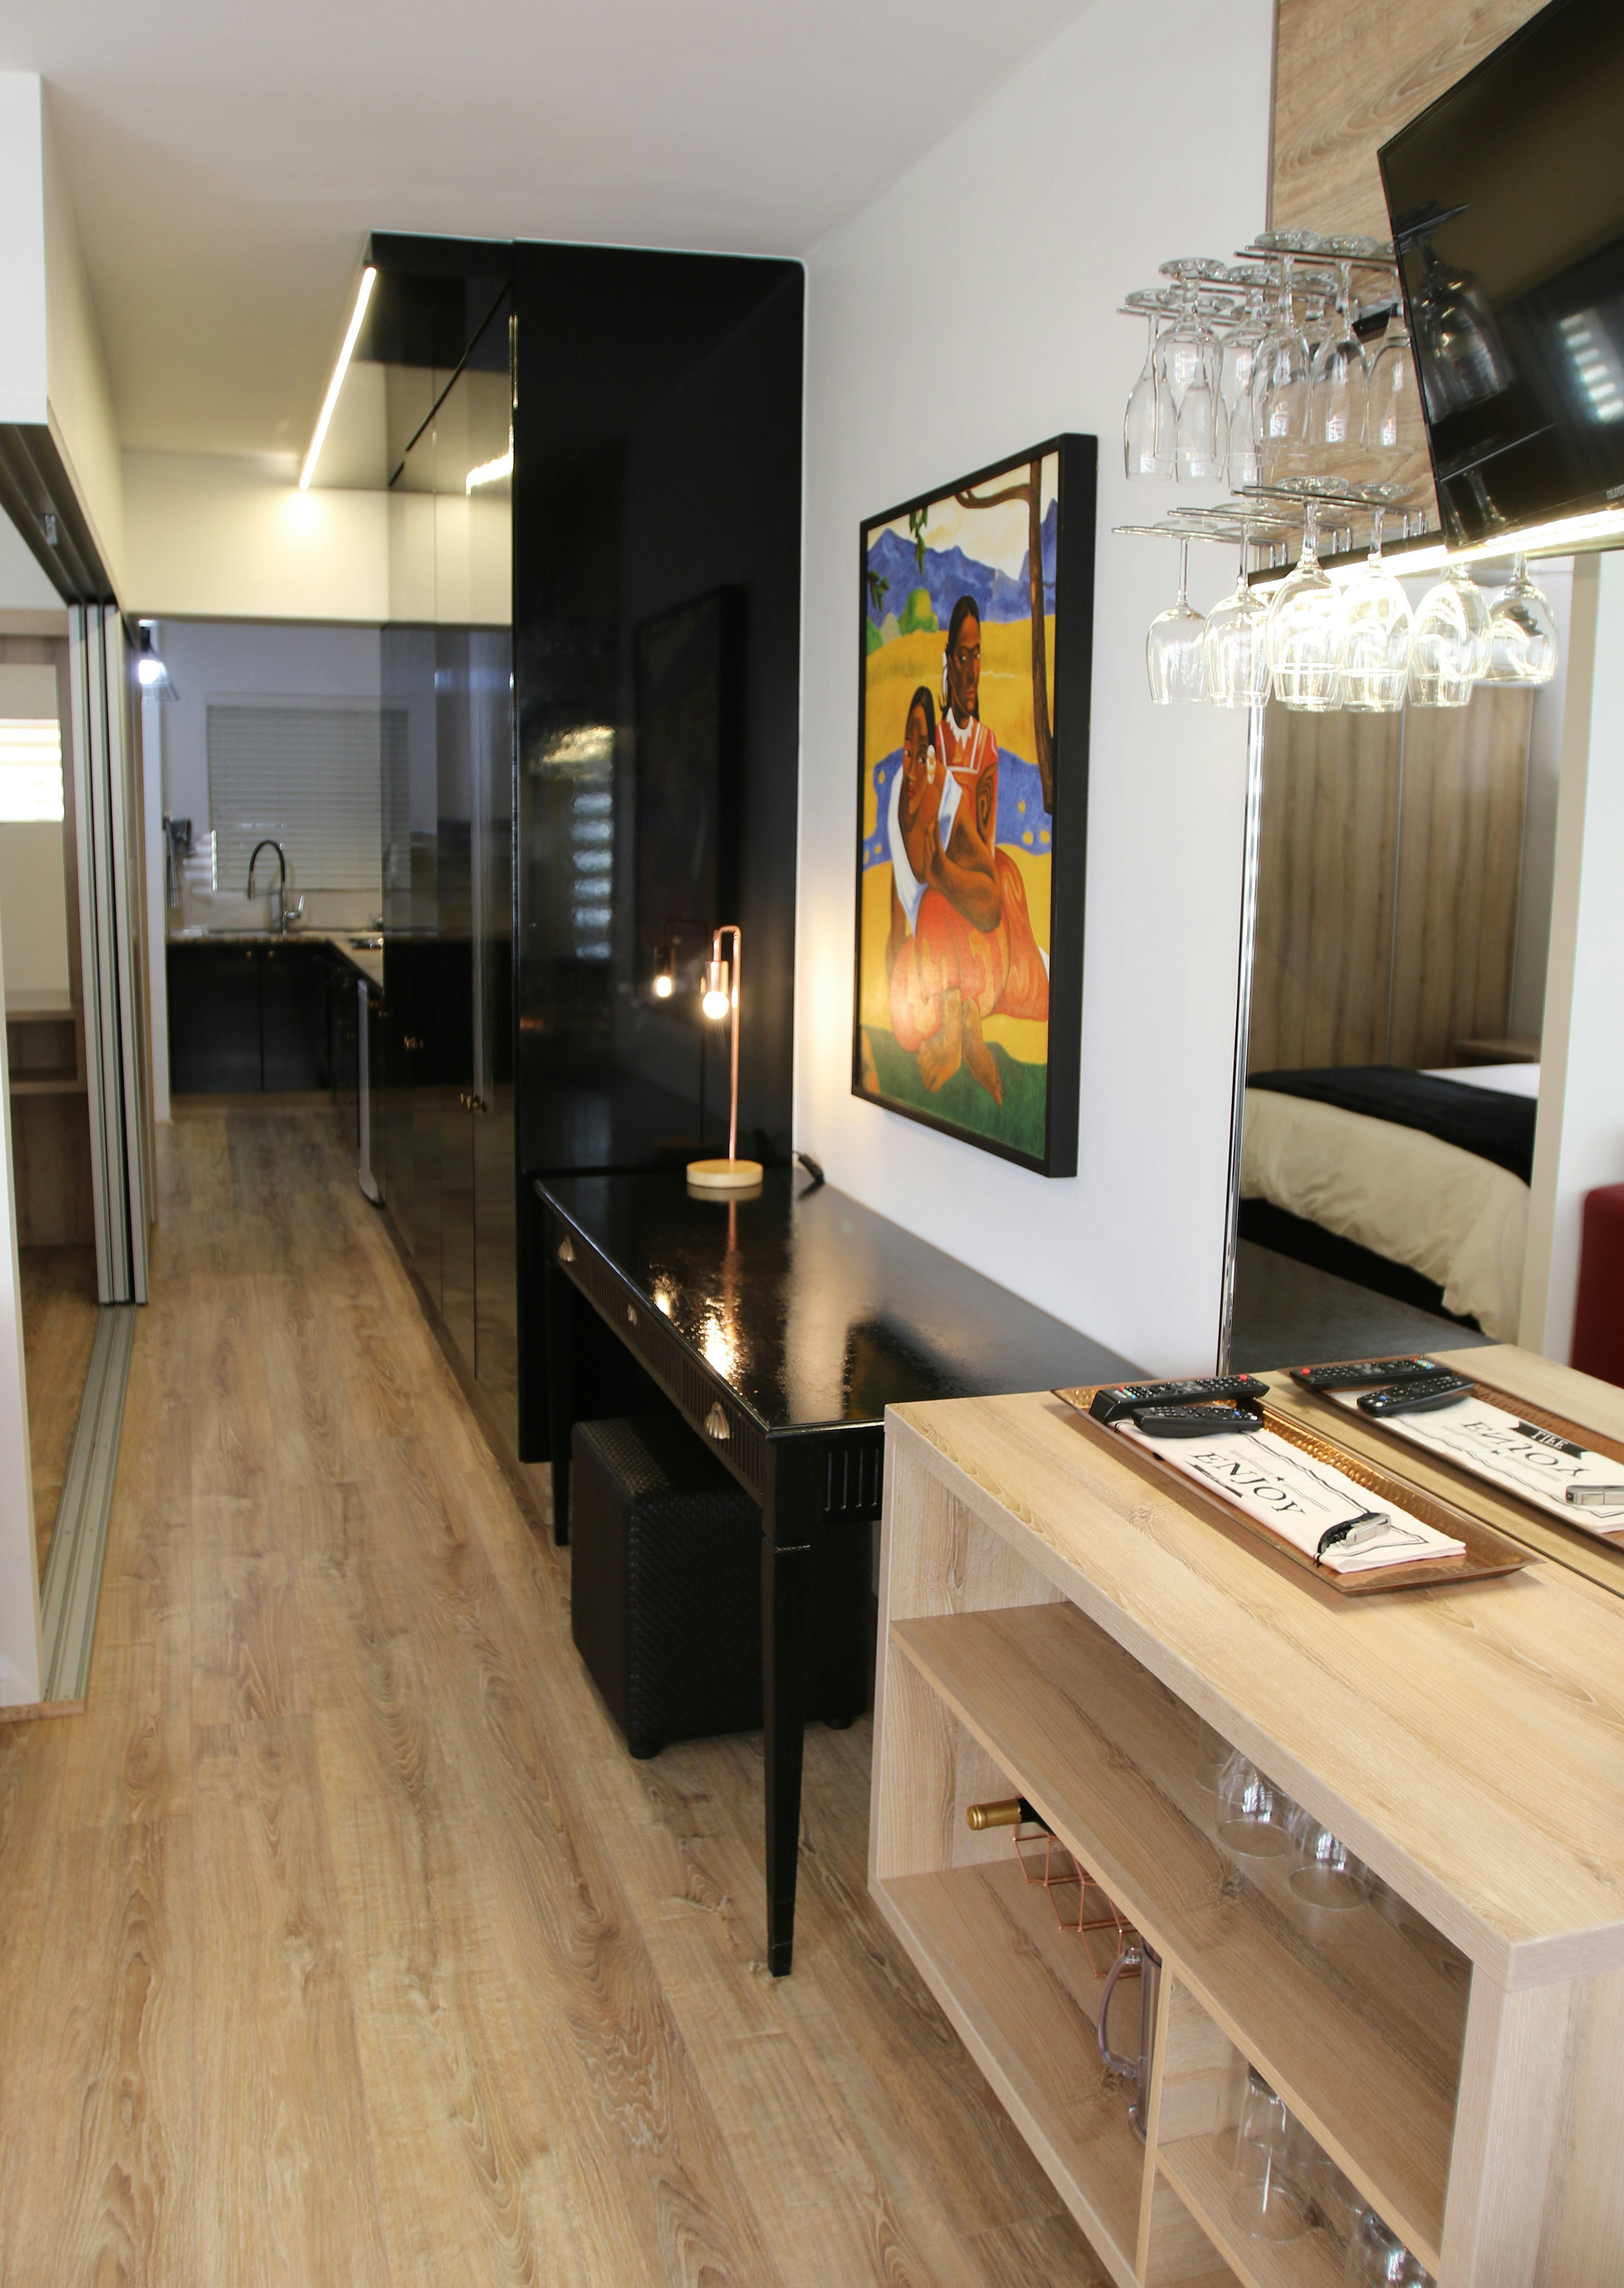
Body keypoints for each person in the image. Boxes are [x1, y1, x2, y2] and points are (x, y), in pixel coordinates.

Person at [886, 597, 1048, 1105]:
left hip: (972, 886)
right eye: (963, 655)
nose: (971, 668)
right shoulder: (925, 755)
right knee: (907, 1021)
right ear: (948, 661)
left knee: (987, 891)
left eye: (978, 655)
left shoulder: (986, 745)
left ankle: (967, 1010)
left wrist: (946, 870)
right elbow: (899, 883)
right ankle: (959, 1007)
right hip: (943, 902)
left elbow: (985, 839)